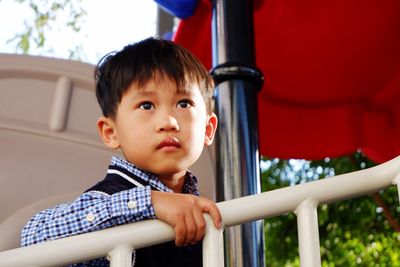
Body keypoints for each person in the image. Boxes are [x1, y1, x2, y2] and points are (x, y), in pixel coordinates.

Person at [21, 37, 222, 266]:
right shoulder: (109, 198)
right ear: (111, 132)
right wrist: (150, 202)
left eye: (184, 103)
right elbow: (34, 235)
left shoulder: (205, 214)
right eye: (147, 105)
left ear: (208, 129)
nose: (168, 121)